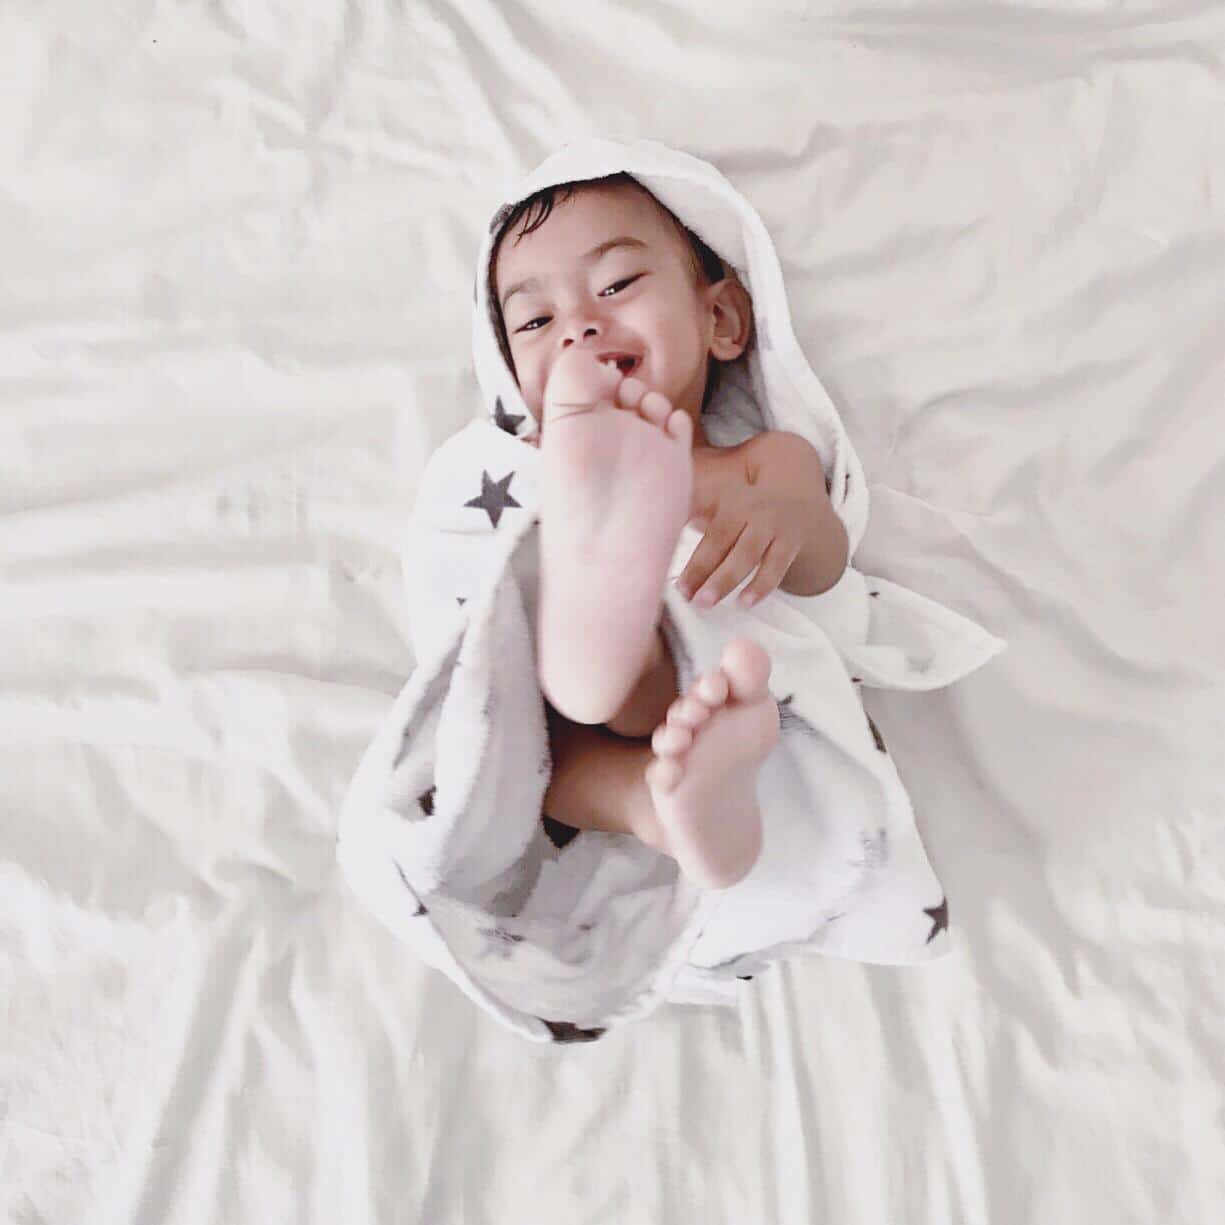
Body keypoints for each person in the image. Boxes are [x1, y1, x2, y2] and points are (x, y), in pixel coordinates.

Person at [489, 172, 849, 889]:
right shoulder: (520, 472)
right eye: (534, 322)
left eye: (617, 282)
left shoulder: (757, 461)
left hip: (718, 676)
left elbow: (824, 561)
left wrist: (784, 518)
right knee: (528, 753)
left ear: (720, 321)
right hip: (583, 706)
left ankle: (617, 658)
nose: (578, 325)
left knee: (584, 701)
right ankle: (654, 800)